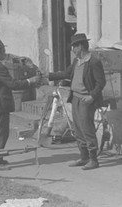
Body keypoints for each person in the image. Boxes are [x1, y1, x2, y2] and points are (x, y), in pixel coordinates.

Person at [0, 38, 40, 171]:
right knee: (1, 133)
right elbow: (13, 84)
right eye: (3, 51)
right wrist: (30, 80)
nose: (5, 53)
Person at [46, 33, 106, 170]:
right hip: (76, 98)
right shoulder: (76, 61)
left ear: (81, 46)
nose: (73, 49)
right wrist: (49, 76)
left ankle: (93, 159)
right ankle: (84, 157)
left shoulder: (93, 62)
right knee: (78, 129)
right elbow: (67, 74)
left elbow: (101, 82)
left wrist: (92, 96)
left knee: (87, 129)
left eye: (74, 46)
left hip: (86, 100)